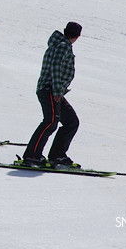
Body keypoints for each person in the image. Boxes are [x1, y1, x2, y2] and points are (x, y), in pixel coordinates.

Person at [19, 22, 82, 168]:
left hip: (53, 89)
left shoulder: (60, 44)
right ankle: (32, 156)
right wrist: (58, 91)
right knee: (51, 121)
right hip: (50, 90)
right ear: (77, 36)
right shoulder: (63, 46)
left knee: (71, 121)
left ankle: (57, 156)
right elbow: (56, 67)